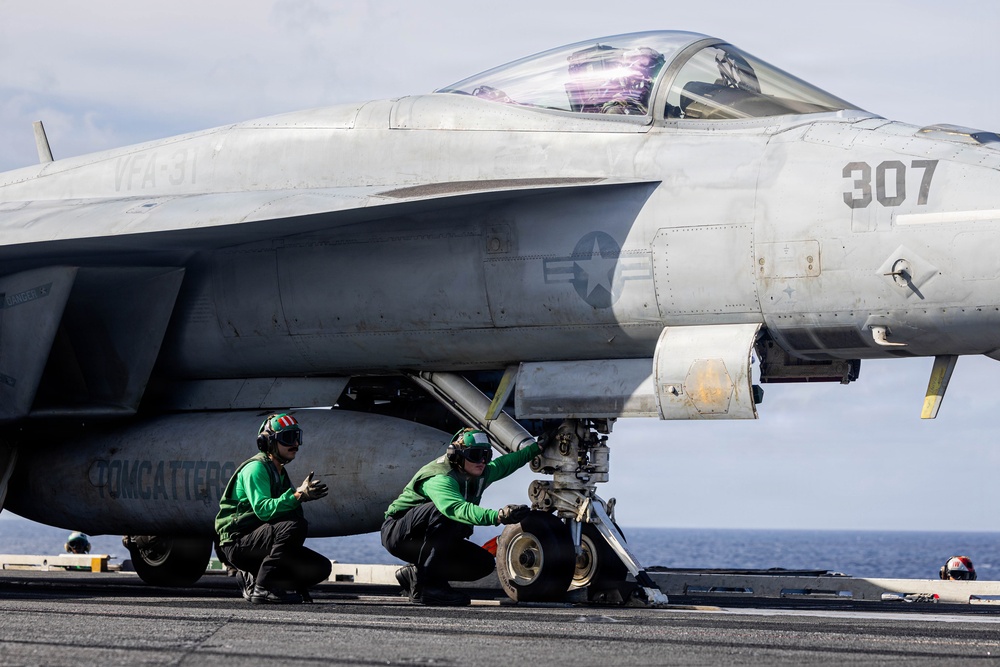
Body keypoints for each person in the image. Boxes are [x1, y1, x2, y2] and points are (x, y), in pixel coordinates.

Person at [381, 427, 543, 606]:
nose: (482, 461)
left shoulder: (479, 472)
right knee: (444, 513)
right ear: (457, 455)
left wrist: (538, 447)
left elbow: (506, 463)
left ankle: (418, 575)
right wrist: (498, 516)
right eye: (475, 455)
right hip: (400, 534)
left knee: (483, 564)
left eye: (486, 455)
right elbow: (456, 508)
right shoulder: (440, 477)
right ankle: (431, 588)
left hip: (430, 538)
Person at [215, 413, 332, 604]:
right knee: (294, 526)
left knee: (320, 567)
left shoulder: (279, 471)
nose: (295, 444)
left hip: (259, 541)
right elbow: (263, 510)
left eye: (296, 437)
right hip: (237, 542)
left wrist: (302, 497)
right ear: (267, 442)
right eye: (287, 438)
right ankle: (263, 587)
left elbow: (288, 513)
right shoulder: (256, 468)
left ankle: (257, 579)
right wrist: (297, 495)